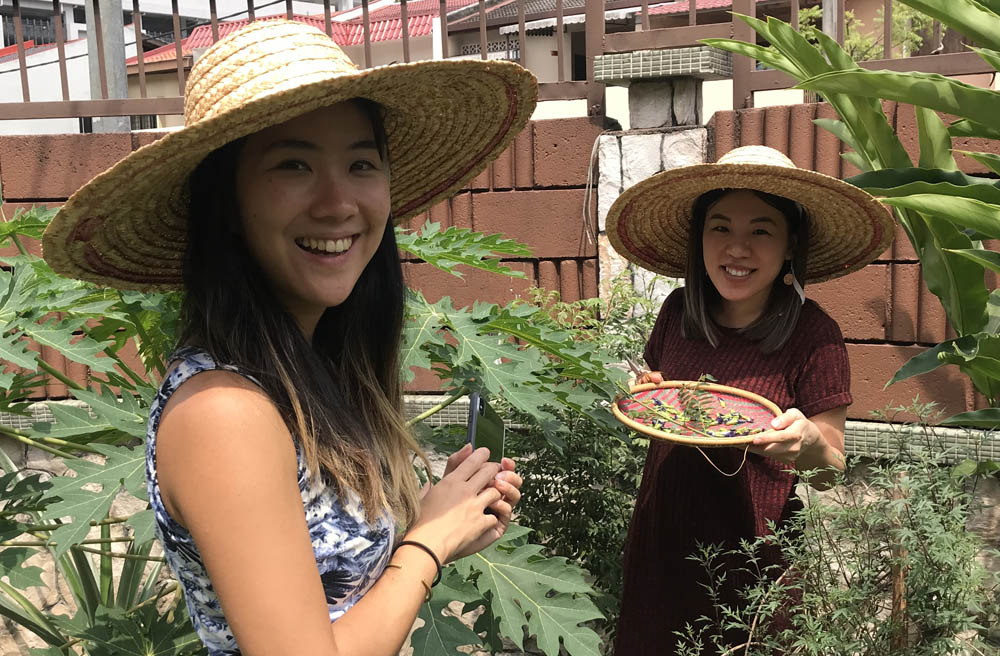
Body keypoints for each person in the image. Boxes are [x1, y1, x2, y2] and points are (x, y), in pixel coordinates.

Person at [42, 20, 537, 656]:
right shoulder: (225, 414)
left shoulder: (310, 373)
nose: (338, 203)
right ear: (227, 201)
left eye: (361, 163)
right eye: (294, 164)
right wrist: (429, 544)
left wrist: (446, 514)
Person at [604, 145, 894, 654]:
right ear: (699, 240)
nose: (737, 249)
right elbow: (659, 390)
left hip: (751, 573)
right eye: (720, 228)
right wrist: (647, 391)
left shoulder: (814, 336)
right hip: (659, 549)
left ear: (789, 246)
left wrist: (805, 443)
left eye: (760, 230)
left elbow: (830, 468)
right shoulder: (677, 313)